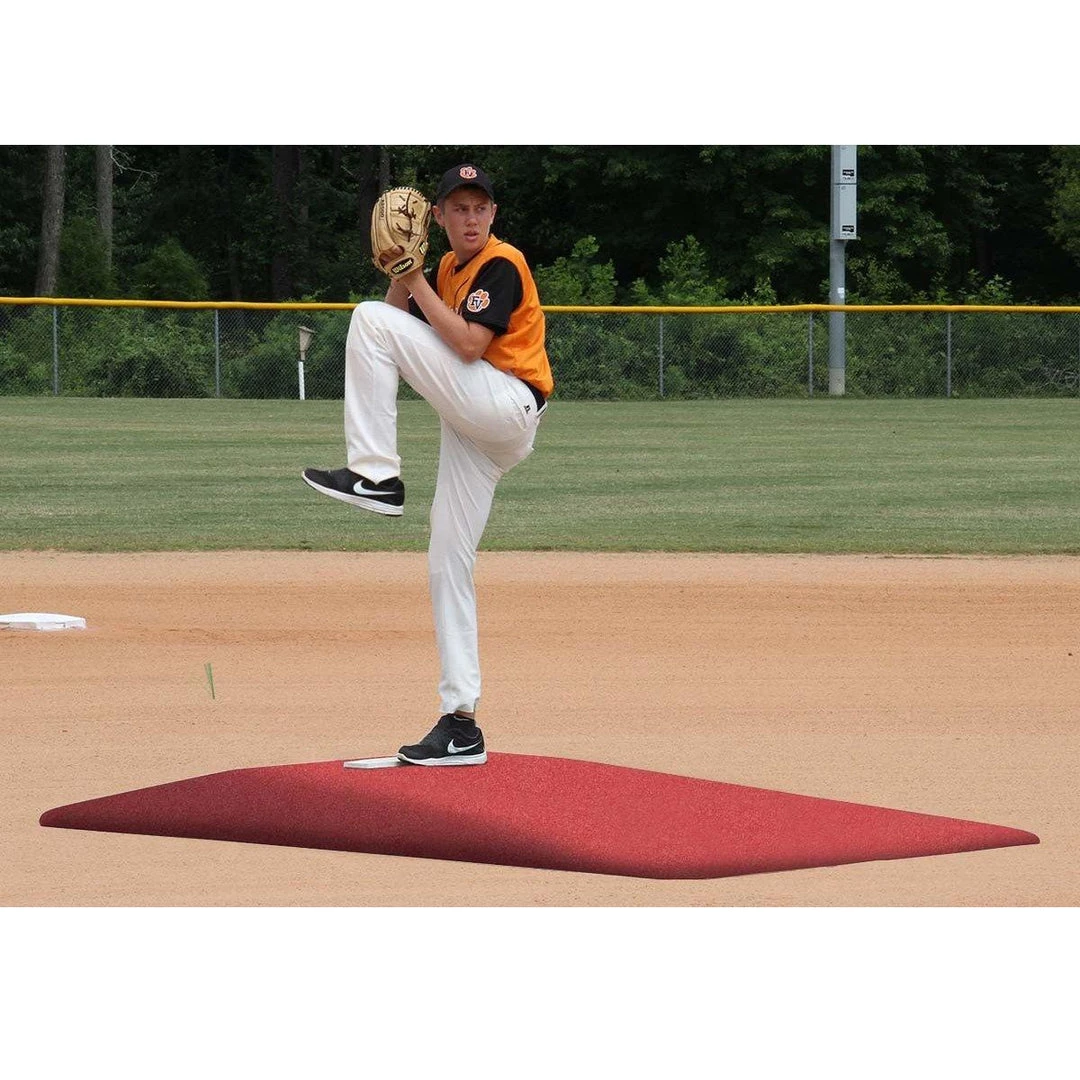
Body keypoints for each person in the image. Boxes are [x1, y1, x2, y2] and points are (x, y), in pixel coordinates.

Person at [303, 163, 553, 766]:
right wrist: (400, 271)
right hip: (478, 428)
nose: (471, 218)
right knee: (447, 559)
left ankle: (376, 474)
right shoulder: (443, 269)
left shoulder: (502, 262)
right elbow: (398, 325)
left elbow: (468, 345)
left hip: (505, 402)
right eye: (459, 208)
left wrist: (414, 280)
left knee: (365, 318)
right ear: (437, 217)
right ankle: (461, 723)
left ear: (493, 214)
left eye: (480, 207)